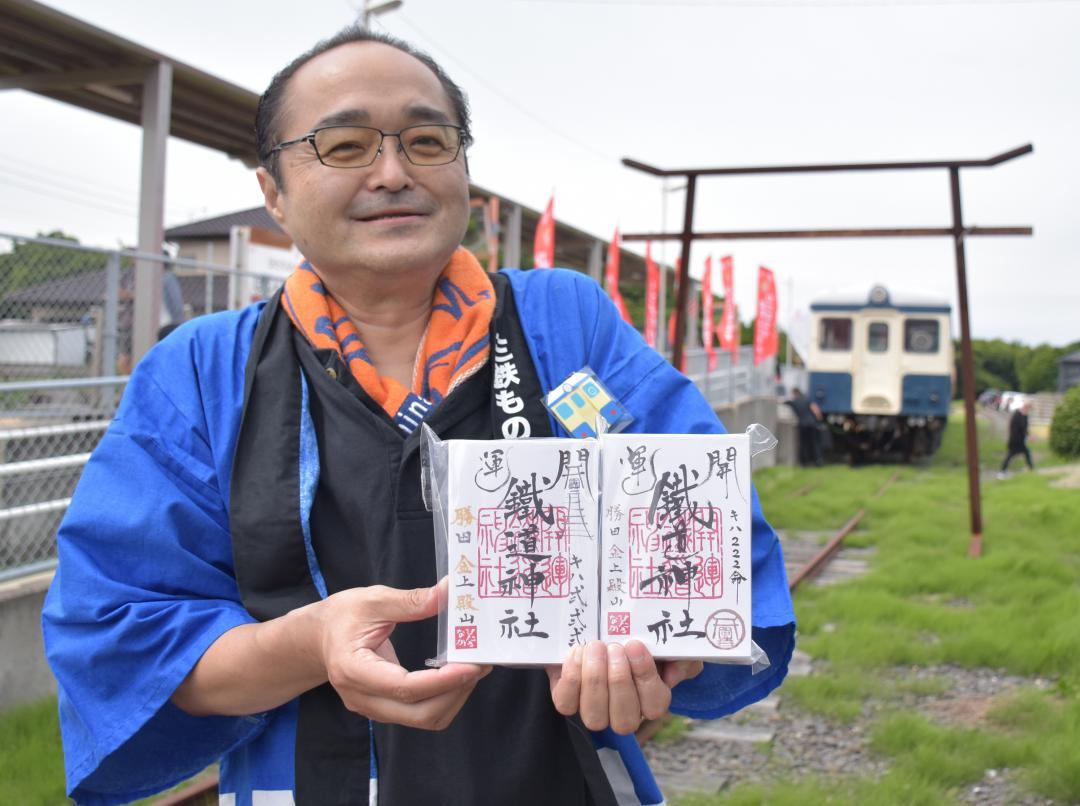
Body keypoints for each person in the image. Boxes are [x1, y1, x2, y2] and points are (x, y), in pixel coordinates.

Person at [42, 27, 795, 806]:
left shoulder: (565, 324)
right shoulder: (202, 370)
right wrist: (309, 644)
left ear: (464, 170)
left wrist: (665, 657)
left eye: (428, 140)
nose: (393, 172)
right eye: (345, 145)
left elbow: (716, 547)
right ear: (274, 191)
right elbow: (119, 632)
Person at [786, 388, 824, 466]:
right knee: (815, 443)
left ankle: (804, 462)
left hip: (802, 425)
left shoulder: (793, 402)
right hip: (812, 424)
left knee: (803, 444)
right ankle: (818, 460)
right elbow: (816, 410)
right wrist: (820, 421)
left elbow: (782, 401)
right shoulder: (807, 400)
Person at [999, 401, 1034, 475]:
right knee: (1010, 455)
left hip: (1020, 441)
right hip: (1015, 440)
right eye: (1028, 409)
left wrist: (1029, 435)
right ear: (1025, 407)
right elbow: (1021, 428)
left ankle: (1031, 469)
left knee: (1026, 453)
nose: (1029, 411)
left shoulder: (1025, 416)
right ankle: (1002, 471)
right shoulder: (1017, 415)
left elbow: (1025, 428)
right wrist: (1028, 436)